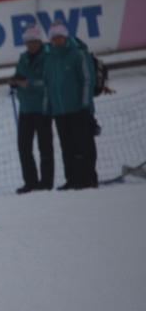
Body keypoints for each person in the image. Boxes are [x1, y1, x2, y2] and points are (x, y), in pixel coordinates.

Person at [42, 22, 97, 190]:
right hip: (60, 111)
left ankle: (88, 178)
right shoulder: (49, 58)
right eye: (54, 38)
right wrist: (47, 108)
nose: (57, 40)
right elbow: (47, 84)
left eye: (59, 37)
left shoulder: (77, 54)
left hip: (78, 109)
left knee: (83, 144)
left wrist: (84, 104)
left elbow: (88, 79)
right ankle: (72, 178)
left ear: (65, 37)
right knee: (67, 146)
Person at [9, 24, 54, 193]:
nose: (31, 45)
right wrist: (14, 81)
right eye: (28, 42)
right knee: (24, 146)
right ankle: (30, 181)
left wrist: (29, 83)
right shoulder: (24, 58)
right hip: (26, 108)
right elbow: (19, 75)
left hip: (43, 108)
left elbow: (48, 81)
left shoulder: (48, 56)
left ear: (39, 41)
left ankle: (47, 182)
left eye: (33, 41)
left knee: (45, 146)